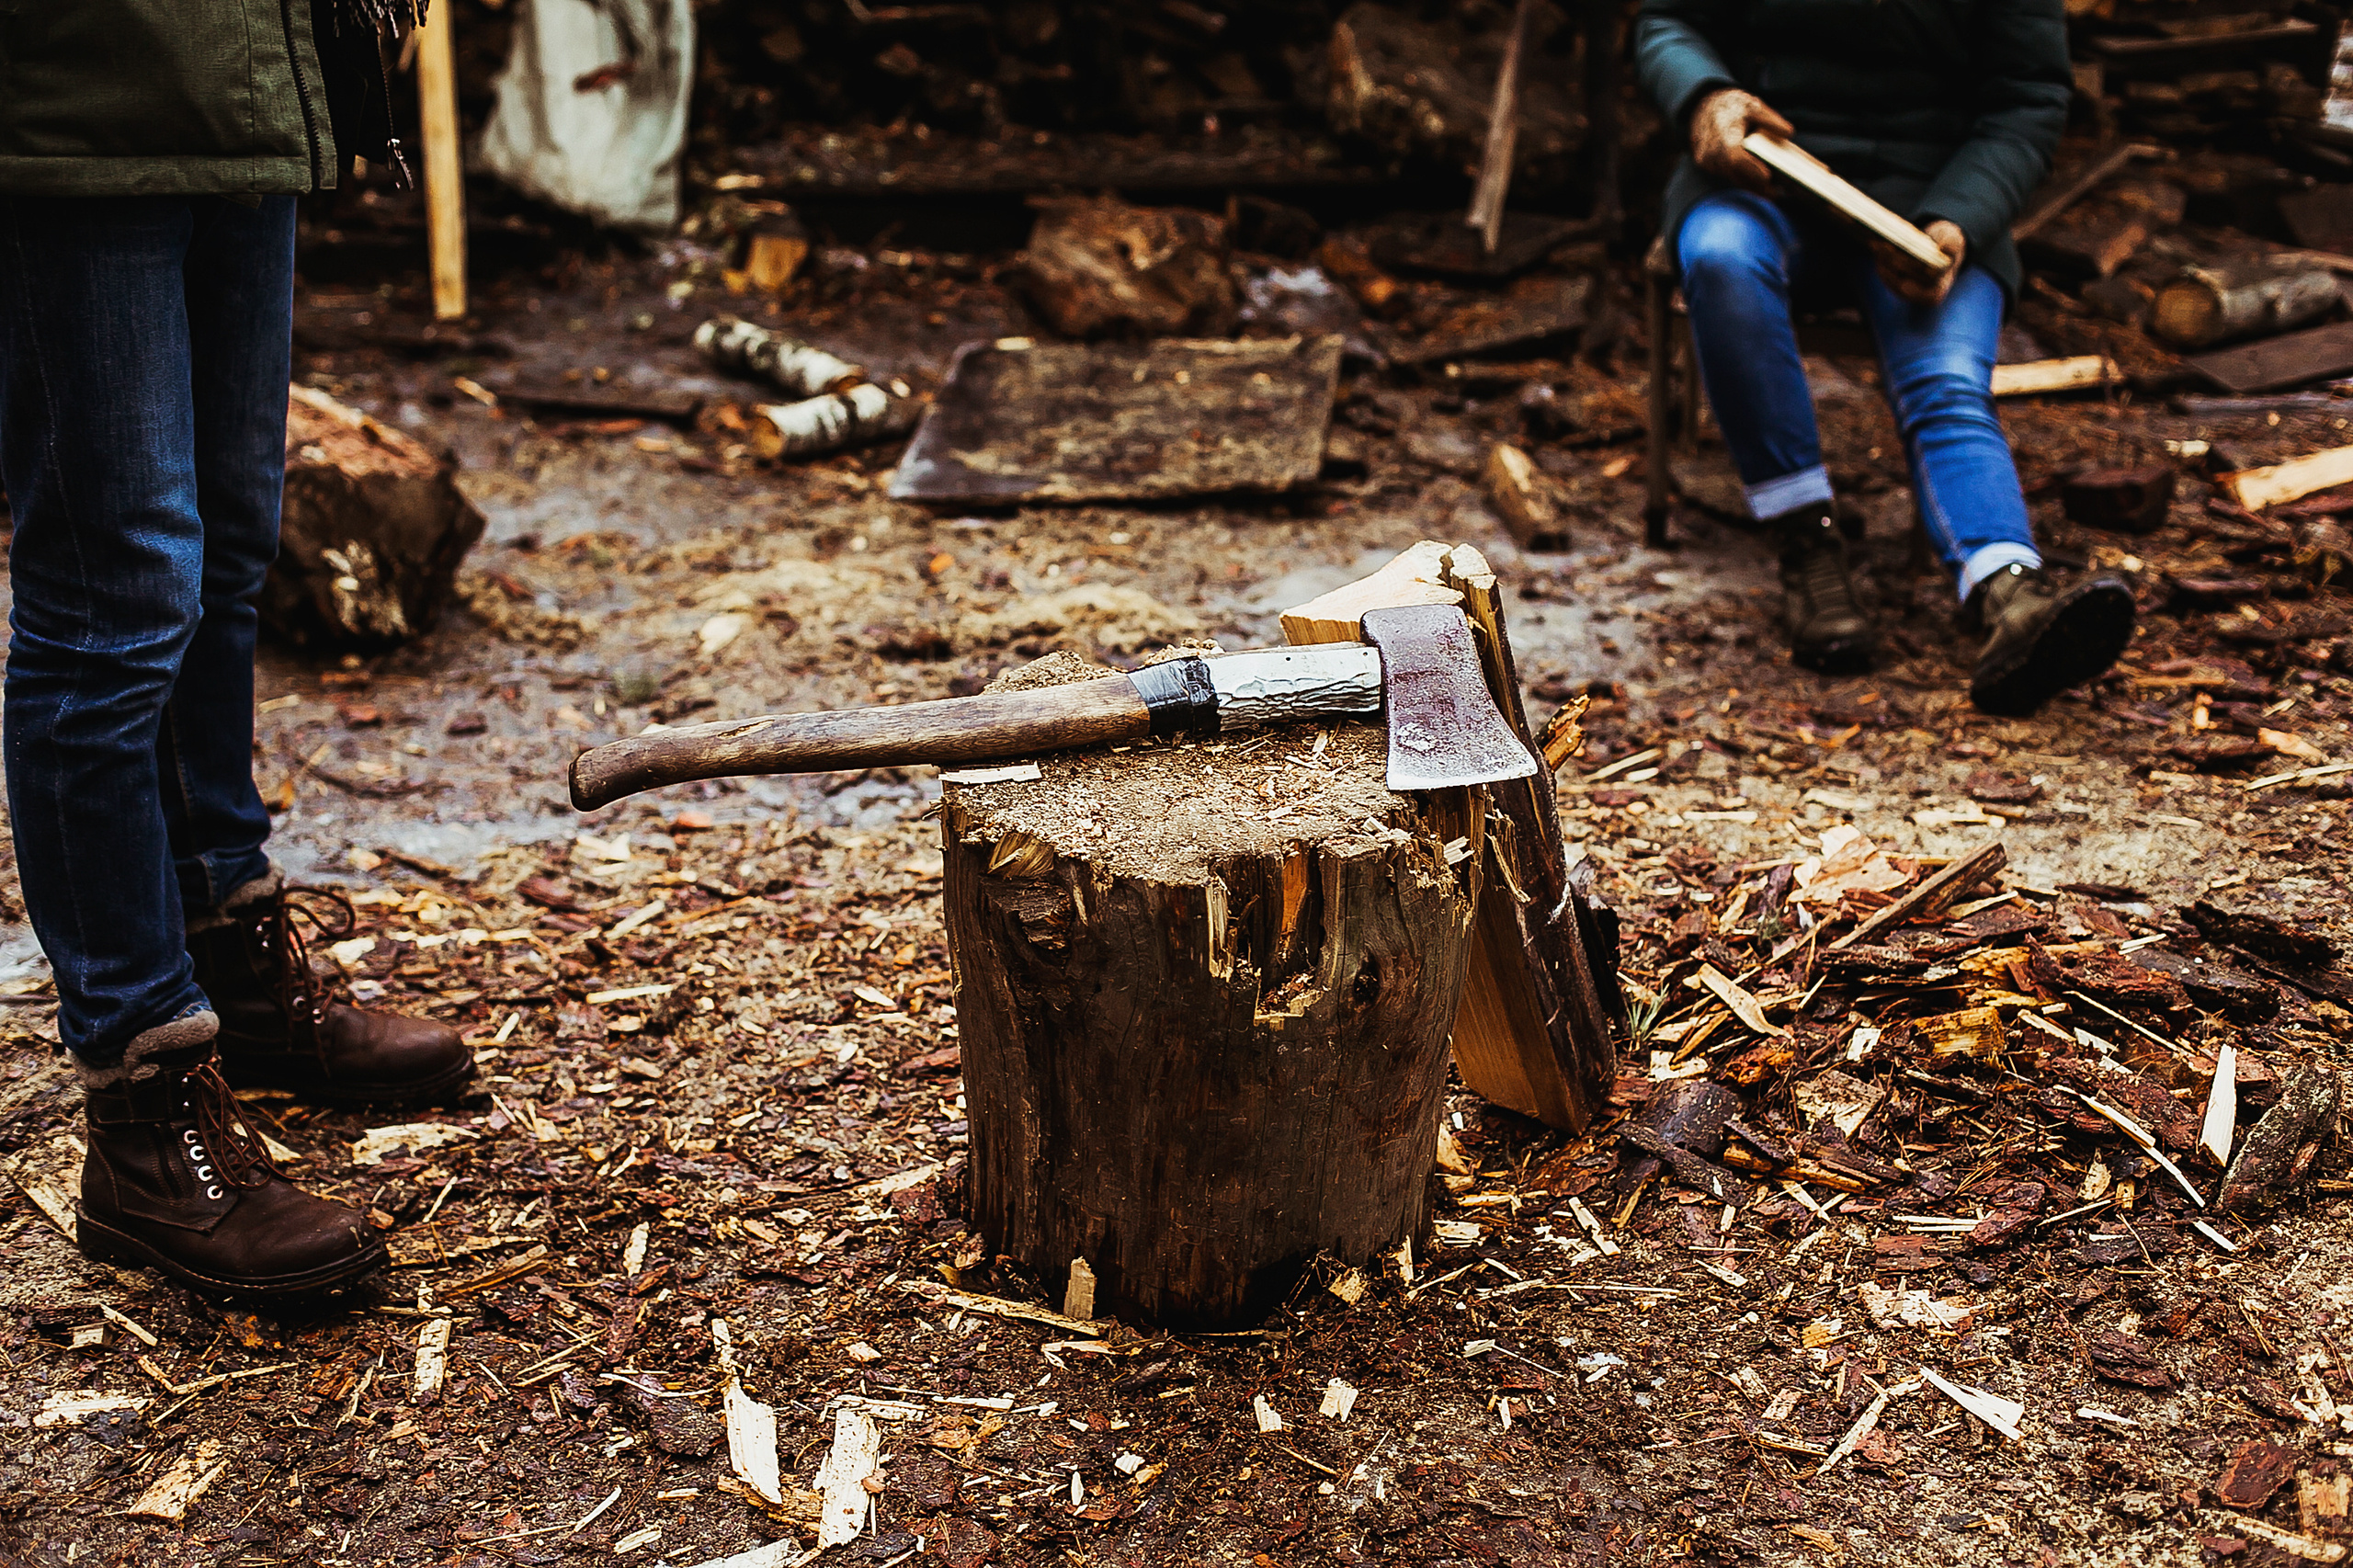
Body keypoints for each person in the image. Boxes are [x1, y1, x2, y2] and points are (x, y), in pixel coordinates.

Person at [0, 1, 474, 1296]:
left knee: (224, 539)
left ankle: (230, 947)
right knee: (112, 593)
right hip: (77, 95)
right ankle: (144, 1101)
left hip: (248, 82)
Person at [1633, 0, 2136, 713]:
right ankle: (1808, 542)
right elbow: (1667, 21)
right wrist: (1706, 97)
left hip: (1931, 200)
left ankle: (2008, 589)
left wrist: (1961, 218)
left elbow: (2028, 97)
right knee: (1721, 263)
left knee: (1945, 380)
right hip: (1762, 186)